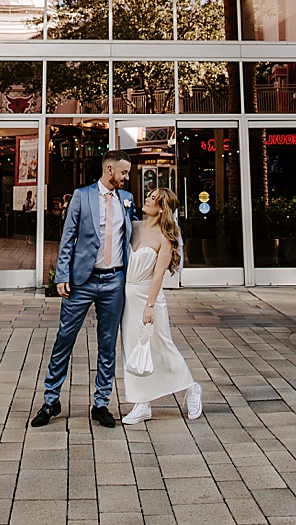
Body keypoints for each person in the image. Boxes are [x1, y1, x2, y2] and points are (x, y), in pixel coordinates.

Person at [31, 150, 137, 429]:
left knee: (107, 343)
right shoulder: (82, 195)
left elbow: (132, 236)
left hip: (114, 281)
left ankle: (101, 403)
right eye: (124, 172)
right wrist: (62, 275)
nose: (127, 177)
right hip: (83, 281)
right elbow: (67, 238)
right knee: (64, 338)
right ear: (110, 169)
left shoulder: (127, 200)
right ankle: (51, 400)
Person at [121, 187, 202, 425]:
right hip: (127, 296)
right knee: (132, 348)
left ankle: (191, 387)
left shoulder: (166, 237)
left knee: (162, 347)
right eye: (148, 196)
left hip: (149, 297)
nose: (146, 200)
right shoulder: (133, 227)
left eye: (152, 199)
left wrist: (150, 305)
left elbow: (158, 276)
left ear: (162, 208)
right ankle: (141, 403)